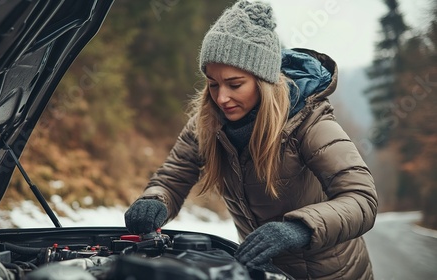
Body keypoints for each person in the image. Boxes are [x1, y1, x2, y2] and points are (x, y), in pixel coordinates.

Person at [124, 1, 378, 279]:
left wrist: (300, 228)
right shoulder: (207, 122)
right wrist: (155, 201)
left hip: (333, 274)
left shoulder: (311, 123)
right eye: (212, 83)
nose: (221, 98)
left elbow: (361, 199)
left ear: (263, 81)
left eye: (234, 84)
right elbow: (172, 179)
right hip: (262, 272)